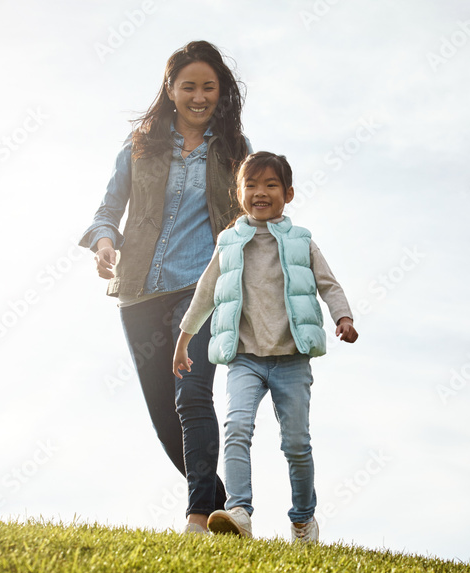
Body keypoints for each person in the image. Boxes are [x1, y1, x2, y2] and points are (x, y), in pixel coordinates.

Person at [79, 41, 250, 534]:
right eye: (189, 86)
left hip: (202, 290)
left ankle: (198, 518)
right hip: (139, 294)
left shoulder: (234, 151)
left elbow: (253, 216)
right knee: (164, 417)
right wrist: (105, 242)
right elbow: (107, 210)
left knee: (191, 397)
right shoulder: (140, 145)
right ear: (171, 90)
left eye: (209, 87)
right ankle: (226, 511)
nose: (199, 96)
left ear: (221, 93)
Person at [172, 151, 358, 544]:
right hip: (244, 360)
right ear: (238, 193)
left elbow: (328, 284)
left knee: (296, 443)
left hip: (291, 360)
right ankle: (239, 510)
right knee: (236, 426)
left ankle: (304, 519)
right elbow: (206, 293)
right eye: (251, 185)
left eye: (271, 185)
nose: (261, 192)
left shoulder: (301, 241)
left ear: (288, 193)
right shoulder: (229, 243)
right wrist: (184, 339)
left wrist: (343, 317)